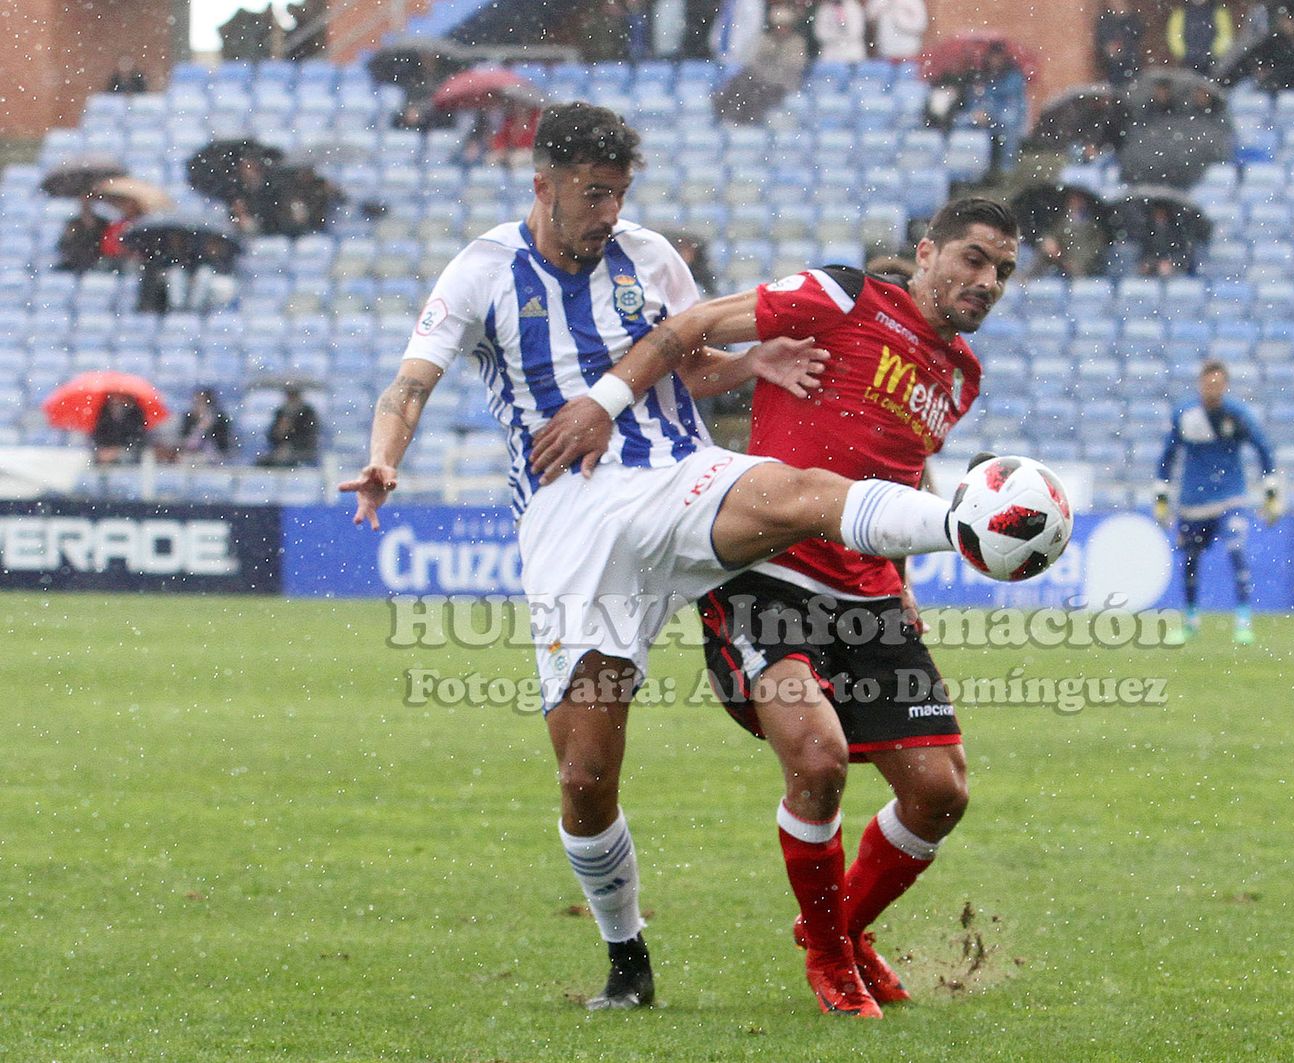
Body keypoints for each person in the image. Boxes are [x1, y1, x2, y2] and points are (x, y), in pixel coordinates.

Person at [339, 102, 992, 1014]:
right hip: (572, 526)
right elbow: (410, 383)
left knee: (797, 492)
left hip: (676, 478)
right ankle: (626, 957)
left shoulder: (649, 256)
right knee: (586, 777)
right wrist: (384, 457)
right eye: (592, 194)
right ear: (545, 185)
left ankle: (970, 525)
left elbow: (686, 362)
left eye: (619, 193)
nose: (608, 211)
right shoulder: (483, 270)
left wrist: (749, 364)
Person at [692, 198, 1019, 1017]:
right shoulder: (844, 298)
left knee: (941, 791)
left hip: (868, 590)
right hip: (769, 565)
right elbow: (687, 334)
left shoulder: (962, 376)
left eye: (1004, 272)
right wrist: (746, 363)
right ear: (927, 250)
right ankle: (836, 962)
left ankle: (835, 930)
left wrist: (902, 575)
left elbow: (899, 474)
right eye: (974, 260)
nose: (988, 282)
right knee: (818, 760)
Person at [1154, 359, 1280, 646]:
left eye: (1218, 383)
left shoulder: (1236, 415)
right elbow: (1168, 457)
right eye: (1208, 383)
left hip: (1229, 497)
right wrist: (1161, 496)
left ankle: (1244, 621)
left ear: (1225, 386)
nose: (1213, 388)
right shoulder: (1185, 415)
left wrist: (1271, 491)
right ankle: (1190, 620)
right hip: (1192, 502)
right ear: (1200, 384)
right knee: (1189, 559)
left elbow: (1263, 450)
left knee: (1236, 550)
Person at [959, 41, 1029, 178]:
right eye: (992, 57)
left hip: (1005, 113)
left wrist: (989, 105)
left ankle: (1006, 168)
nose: (995, 61)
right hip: (984, 113)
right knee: (963, 122)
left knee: (1008, 121)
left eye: (998, 57)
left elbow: (1010, 98)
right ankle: (972, 171)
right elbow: (972, 99)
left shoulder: (1013, 75)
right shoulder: (980, 75)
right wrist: (978, 107)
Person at [1166, 0, 1235, 76]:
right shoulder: (1180, 13)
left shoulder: (1219, 12)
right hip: (1188, 65)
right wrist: (1186, 54)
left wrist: (1212, 54)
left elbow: (1225, 35)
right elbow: (1174, 37)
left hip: (1214, 65)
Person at [259, 385, 320, 467]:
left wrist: (291, 445)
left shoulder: (308, 414)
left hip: (302, 452)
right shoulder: (281, 413)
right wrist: (280, 432)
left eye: (293, 396)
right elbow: (272, 437)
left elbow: (309, 437)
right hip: (280, 451)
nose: (291, 399)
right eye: (289, 396)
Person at [175, 387, 234, 464]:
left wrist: (207, 426)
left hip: (216, 456)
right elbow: (185, 442)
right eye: (195, 402)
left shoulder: (220, 419)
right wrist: (199, 429)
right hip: (192, 456)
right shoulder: (189, 418)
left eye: (200, 402)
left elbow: (223, 444)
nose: (197, 406)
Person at [1096, 0, 1146, 86]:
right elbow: (1101, 39)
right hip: (1111, 68)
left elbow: (1138, 35)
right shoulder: (1105, 20)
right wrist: (1109, 47)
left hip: (1131, 63)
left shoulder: (1132, 20)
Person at [92, 393, 148, 465]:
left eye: (120, 397)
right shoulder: (103, 414)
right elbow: (99, 435)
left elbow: (138, 439)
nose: (116, 400)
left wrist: (118, 451)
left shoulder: (135, 415)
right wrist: (104, 450)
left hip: (129, 454)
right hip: (105, 454)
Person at [56, 198, 109, 273]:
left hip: (97, 260)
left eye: (88, 204)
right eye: (84, 205)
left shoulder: (102, 223)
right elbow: (63, 245)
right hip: (75, 260)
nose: (86, 207)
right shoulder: (73, 223)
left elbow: (106, 243)